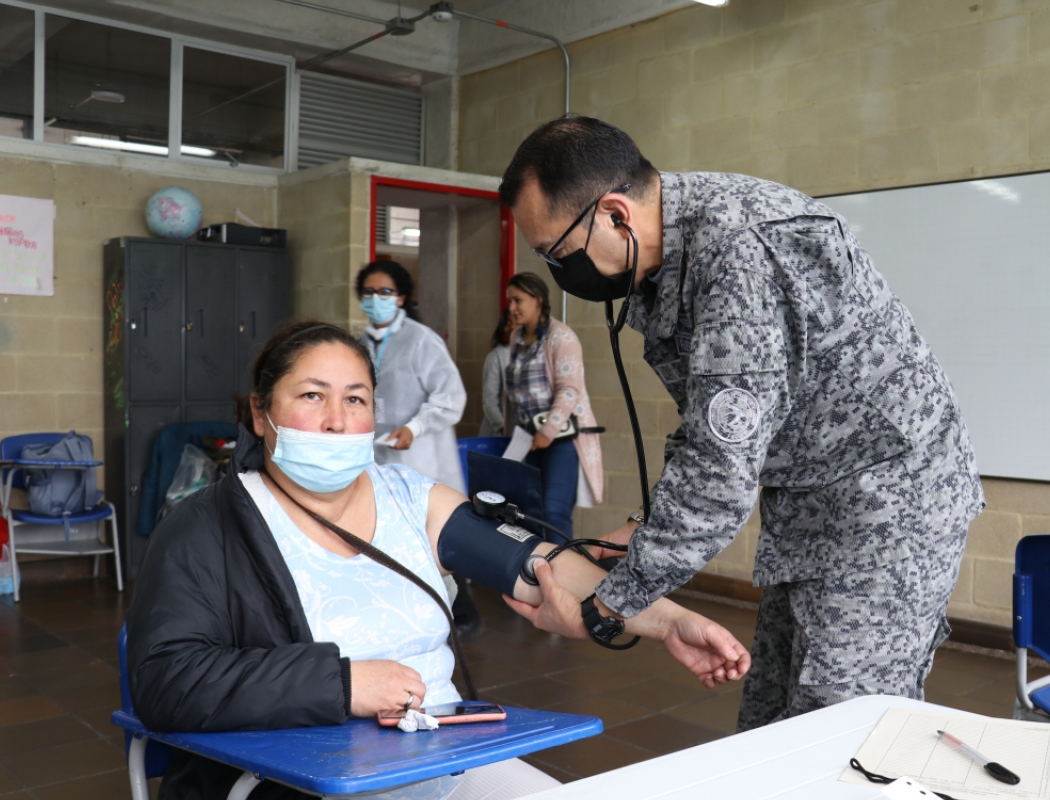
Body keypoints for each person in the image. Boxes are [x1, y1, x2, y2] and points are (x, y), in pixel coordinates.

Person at [498, 117, 985, 732]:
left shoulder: (735, 252)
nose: (557, 270)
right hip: (814, 494)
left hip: (890, 504)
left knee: (843, 721)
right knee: (772, 716)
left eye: (556, 253)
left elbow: (721, 474)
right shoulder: (670, 254)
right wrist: (642, 528)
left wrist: (607, 607)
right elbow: (715, 426)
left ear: (616, 214)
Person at [126, 321, 750, 800]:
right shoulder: (208, 527)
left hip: (443, 757)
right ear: (262, 414)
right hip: (304, 781)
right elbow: (167, 682)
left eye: (357, 399)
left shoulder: (411, 499)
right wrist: (343, 685)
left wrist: (669, 622)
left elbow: (547, 566)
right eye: (312, 396)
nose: (339, 422)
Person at [502, 272, 603, 540]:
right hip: (529, 437)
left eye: (517, 300)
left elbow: (570, 389)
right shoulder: (516, 339)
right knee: (531, 511)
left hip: (559, 437)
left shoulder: (561, 337)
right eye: (509, 301)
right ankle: (537, 572)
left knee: (553, 511)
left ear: (538, 300)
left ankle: (563, 574)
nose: (511, 307)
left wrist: (548, 431)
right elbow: (513, 392)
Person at [358, 260, 467, 494]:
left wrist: (414, 428)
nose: (376, 298)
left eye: (385, 292)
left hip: (422, 458)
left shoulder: (421, 341)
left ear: (401, 298)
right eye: (369, 292)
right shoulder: (359, 345)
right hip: (376, 458)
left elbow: (451, 397)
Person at [479, 307, 516, 436]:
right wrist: (503, 429)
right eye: (508, 323)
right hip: (499, 436)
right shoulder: (497, 356)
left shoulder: (537, 355)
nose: (512, 327)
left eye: (516, 321)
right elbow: (489, 402)